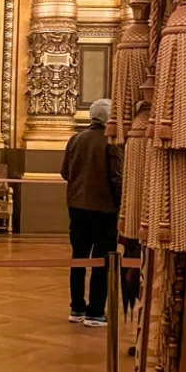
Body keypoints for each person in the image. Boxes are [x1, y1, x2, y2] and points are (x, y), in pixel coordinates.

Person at [60, 97, 123, 328]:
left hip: (76, 208)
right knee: (103, 261)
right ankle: (96, 311)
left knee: (78, 258)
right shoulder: (112, 142)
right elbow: (118, 178)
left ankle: (76, 307)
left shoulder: (75, 139)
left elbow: (65, 172)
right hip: (105, 210)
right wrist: (122, 203)